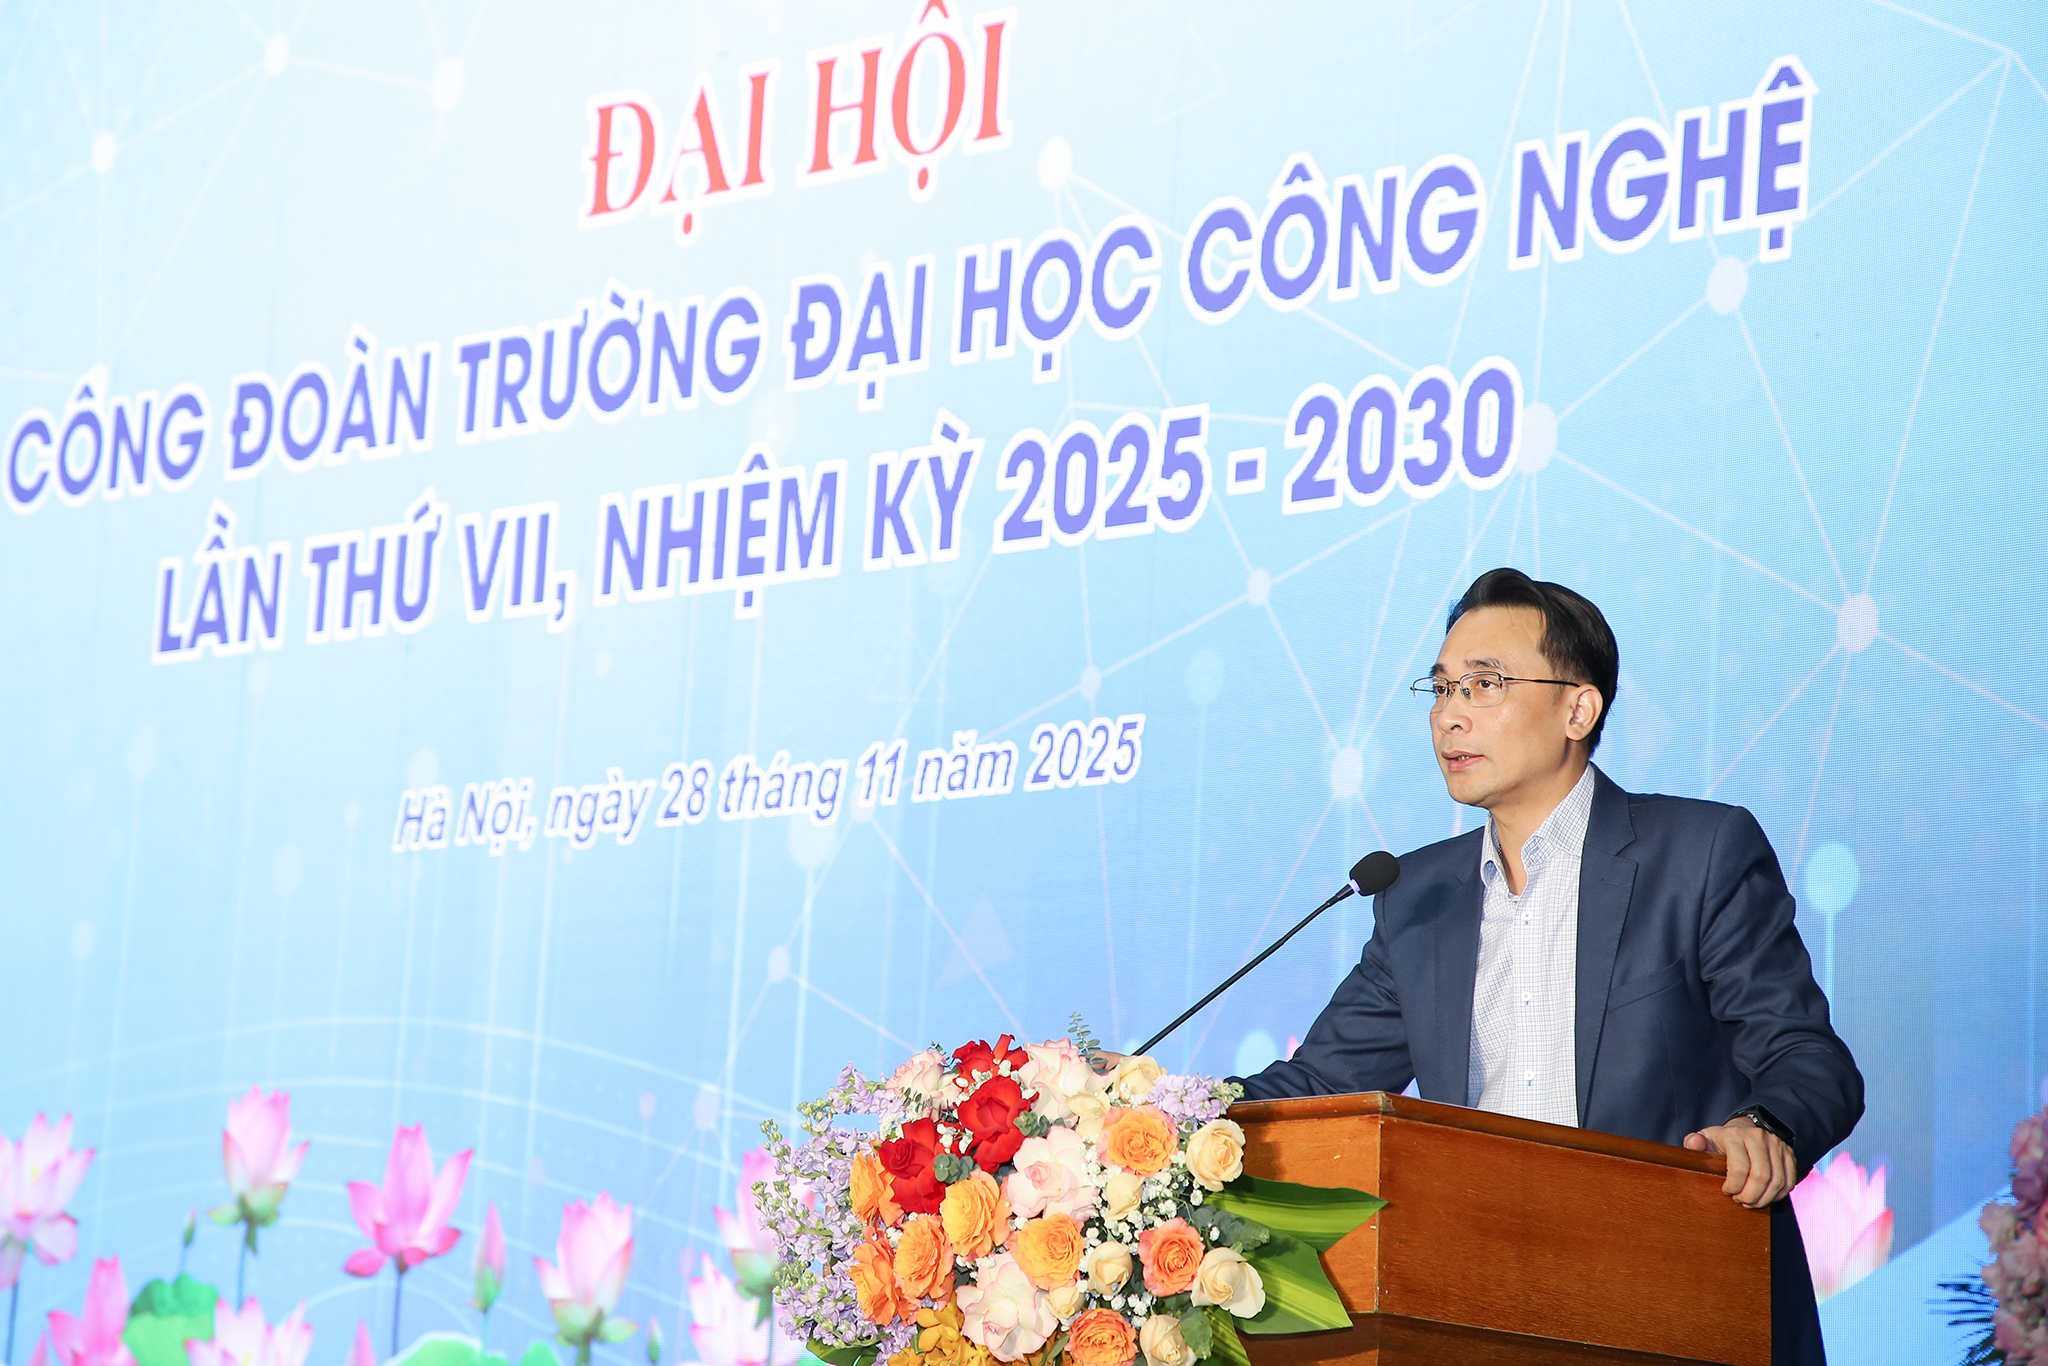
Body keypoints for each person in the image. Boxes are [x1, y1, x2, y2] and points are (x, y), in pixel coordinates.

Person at [1197, 569, 1859, 1364]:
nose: (1449, 714)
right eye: (1442, 688)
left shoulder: (1697, 854)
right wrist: (1154, 1112)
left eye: (1485, 685)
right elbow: (1316, 1087)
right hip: (1478, 1306)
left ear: (1579, 709)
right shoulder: (1417, 896)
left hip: (1674, 1295)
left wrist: (1766, 1127)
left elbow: (1809, 1059)